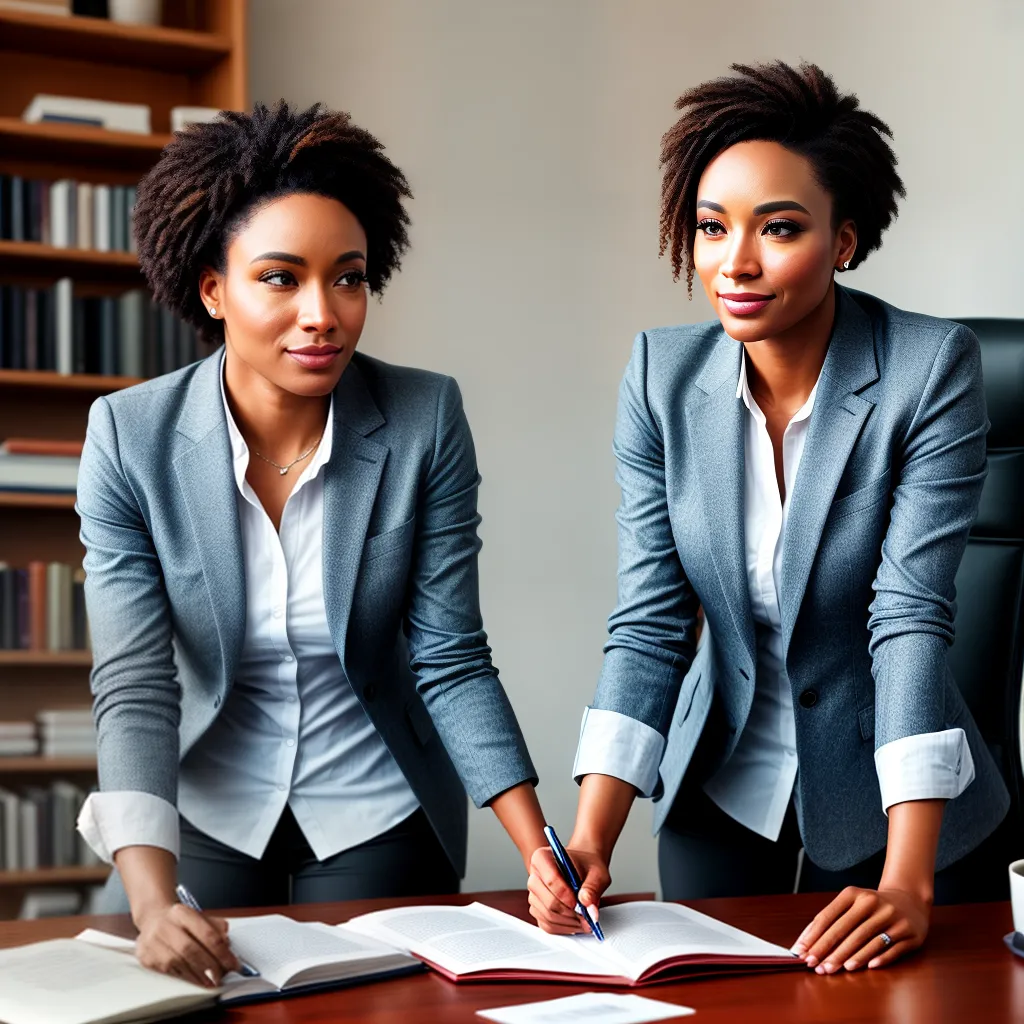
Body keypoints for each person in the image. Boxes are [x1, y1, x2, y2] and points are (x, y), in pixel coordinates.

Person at [527, 62, 1009, 975]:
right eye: (712, 228)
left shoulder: (929, 368)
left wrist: (908, 882)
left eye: (778, 228)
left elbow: (907, 619)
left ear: (844, 241)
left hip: (896, 812)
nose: (734, 263)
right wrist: (592, 835)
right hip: (723, 798)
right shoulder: (658, 379)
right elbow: (650, 623)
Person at [75, 101, 549, 988]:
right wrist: (151, 899)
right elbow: (135, 683)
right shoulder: (128, 437)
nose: (322, 313)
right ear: (214, 289)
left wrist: (537, 847)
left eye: (349, 278)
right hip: (206, 811)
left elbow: (450, 654)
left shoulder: (423, 419)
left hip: (375, 805)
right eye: (281, 278)